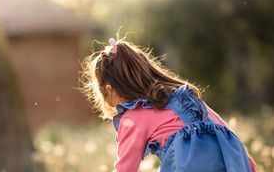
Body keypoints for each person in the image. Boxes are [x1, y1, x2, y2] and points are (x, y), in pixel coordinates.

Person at [81, 37, 256, 172]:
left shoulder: (133, 117)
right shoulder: (184, 98)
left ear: (109, 89)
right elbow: (222, 129)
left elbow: (125, 169)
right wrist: (249, 165)